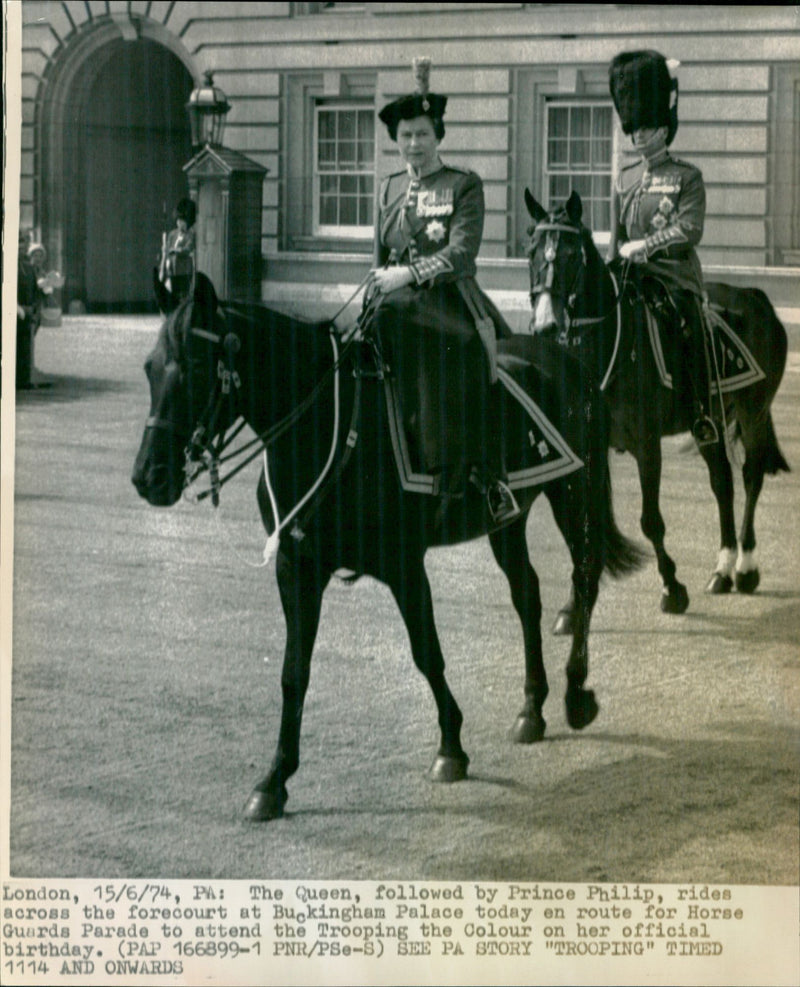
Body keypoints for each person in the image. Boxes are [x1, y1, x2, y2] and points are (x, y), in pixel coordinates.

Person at [369, 57, 520, 523]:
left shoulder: (463, 184)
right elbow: (380, 259)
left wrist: (409, 276)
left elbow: (461, 254)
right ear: (397, 141)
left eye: (422, 135)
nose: (414, 144)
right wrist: (378, 286)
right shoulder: (389, 189)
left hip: (450, 300)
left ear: (438, 137)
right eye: (405, 136)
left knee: (462, 359)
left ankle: (486, 476)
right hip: (393, 300)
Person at [607, 49, 718, 446]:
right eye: (633, 127)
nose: (638, 135)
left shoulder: (687, 176)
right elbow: (617, 235)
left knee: (688, 327)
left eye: (647, 127)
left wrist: (647, 246)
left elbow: (690, 228)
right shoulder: (626, 176)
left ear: (664, 129)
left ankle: (703, 412)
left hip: (673, 278)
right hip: (631, 277)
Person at [159, 197, 197, 302]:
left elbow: (188, 248)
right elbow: (167, 249)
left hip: (184, 270)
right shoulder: (172, 234)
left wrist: (175, 250)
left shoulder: (191, 234)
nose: (179, 223)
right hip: (171, 269)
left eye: (182, 221)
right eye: (178, 220)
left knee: (183, 295)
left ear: (188, 221)